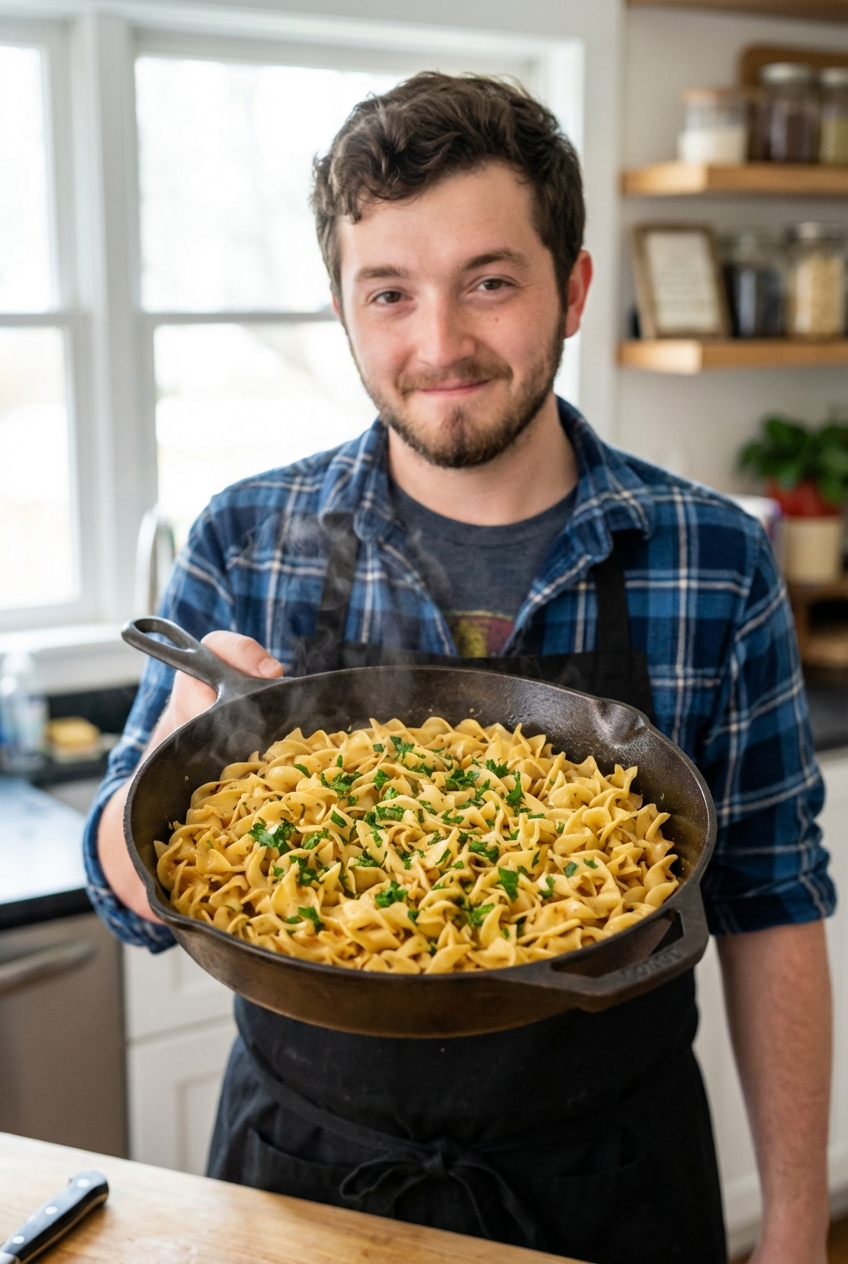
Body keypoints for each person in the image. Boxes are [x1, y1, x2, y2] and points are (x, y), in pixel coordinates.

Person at [86, 73, 834, 1264]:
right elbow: (124, 890)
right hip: (299, 1172)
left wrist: (794, 1227)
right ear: (343, 309)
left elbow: (770, 902)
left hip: (615, 1178)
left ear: (571, 289)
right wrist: (175, 747)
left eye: (489, 281)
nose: (439, 345)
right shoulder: (245, 537)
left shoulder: (712, 556)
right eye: (389, 292)